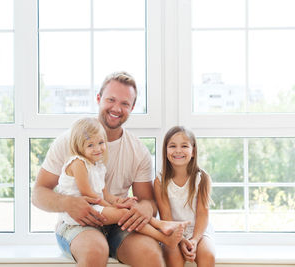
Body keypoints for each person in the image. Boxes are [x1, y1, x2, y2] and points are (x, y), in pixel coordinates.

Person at [33, 71, 165, 267]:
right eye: (111, 99)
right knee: (96, 251)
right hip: (77, 225)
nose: (116, 108)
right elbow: (38, 194)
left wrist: (144, 208)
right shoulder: (69, 141)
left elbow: (148, 201)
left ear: (132, 107)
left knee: (151, 254)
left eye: (125, 103)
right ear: (98, 98)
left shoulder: (138, 151)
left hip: (117, 223)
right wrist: (67, 202)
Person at [58, 117, 187, 248]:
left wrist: (119, 202)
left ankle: (161, 224)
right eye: (90, 145)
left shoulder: (97, 166)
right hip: (81, 213)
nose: (97, 149)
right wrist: (113, 208)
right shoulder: (78, 163)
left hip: (94, 206)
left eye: (101, 143)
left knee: (131, 208)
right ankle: (164, 238)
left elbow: (105, 194)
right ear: (78, 146)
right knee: (126, 214)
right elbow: (89, 194)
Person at [153, 126, 216, 267]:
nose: (178, 150)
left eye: (184, 146)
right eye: (172, 146)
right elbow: (166, 216)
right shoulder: (160, 181)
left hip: (199, 230)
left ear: (193, 151)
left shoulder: (202, 178)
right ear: (166, 150)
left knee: (208, 255)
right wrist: (180, 240)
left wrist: (194, 240)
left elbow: (202, 214)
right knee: (173, 258)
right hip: (171, 231)